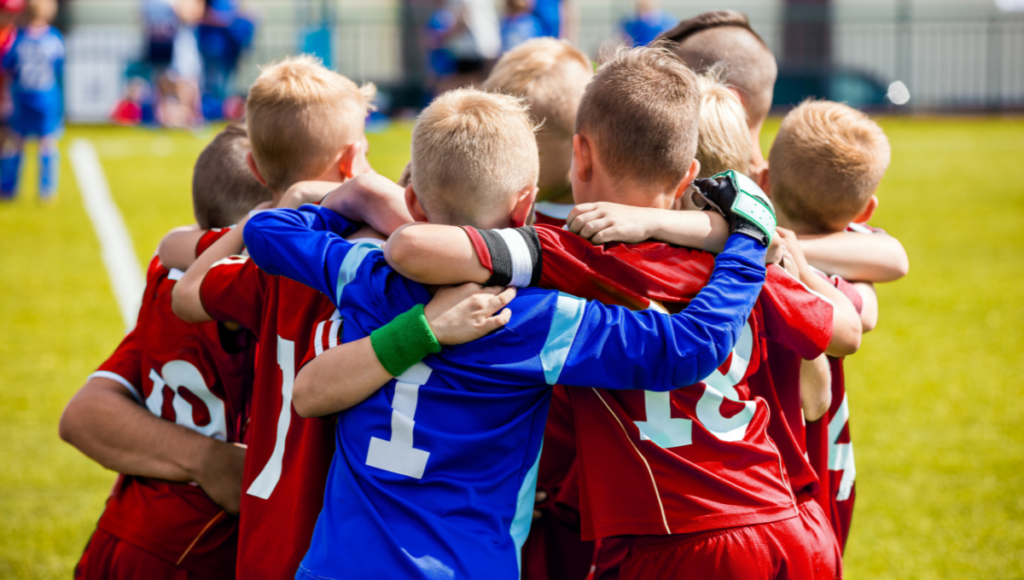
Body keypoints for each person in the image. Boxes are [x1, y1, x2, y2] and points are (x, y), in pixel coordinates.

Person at [308, 48, 850, 579]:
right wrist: (735, 234)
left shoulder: (575, 256)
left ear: (580, 154)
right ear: (688, 177)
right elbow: (833, 356)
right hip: (792, 523)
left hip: (680, 537)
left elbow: (415, 249)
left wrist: (361, 199)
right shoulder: (746, 264)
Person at [61, 124, 272, 580]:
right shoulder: (267, 304)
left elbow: (82, 415)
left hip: (127, 536)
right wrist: (208, 459)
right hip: (197, 550)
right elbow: (84, 416)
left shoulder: (167, 284)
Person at [765, 99, 907, 550]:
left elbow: (893, 260)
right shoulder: (841, 262)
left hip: (753, 465)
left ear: (763, 180)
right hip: (818, 465)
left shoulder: (742, 241)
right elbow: (870, 301)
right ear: (866, 211)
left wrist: (788, 245)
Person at [482, 37, 592, 227]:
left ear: (582, 150)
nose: (501, 167)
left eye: (519, 156)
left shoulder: (618, 224)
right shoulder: (491, 216)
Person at [0, 0, 62, 202]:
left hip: (22, 96)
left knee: (17, 142)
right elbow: (59, 67)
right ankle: (46, 190)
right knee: (47, 142)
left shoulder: (19, 37)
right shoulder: (54, 38)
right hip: (46, 96)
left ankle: (9, 188)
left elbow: (8, 66)